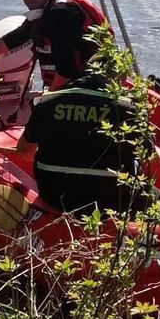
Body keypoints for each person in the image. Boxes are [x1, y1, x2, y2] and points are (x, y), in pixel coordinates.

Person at [16, 62, 144, 214]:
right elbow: (146, 158)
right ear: (119, 81)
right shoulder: (128, 109)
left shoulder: (49, 101)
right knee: (155, 196)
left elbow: (24, 151)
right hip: (112, 199)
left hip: (54, 195)